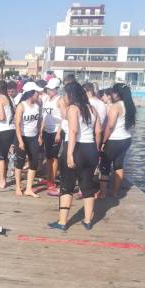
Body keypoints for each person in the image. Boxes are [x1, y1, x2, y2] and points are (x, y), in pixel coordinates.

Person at [48, 81, 102, 231]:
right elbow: (98, 131)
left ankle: (62, 222)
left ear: (70, 94)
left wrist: (70, 154)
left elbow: (73, 131)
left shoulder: (73, 108)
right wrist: (96, 151)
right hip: (90, 149)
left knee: (67, 186)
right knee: (87, 186)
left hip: (76, 148)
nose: (64, 96)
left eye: (65, 93)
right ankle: (87, 220)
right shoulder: (92, 109)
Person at [98, 83, 136, 198]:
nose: (112, 94)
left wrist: (103, 141)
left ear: (117, 94)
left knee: (105, 166)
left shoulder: (116, 107)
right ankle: (115, 192)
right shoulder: (129, 106)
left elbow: (110, 126)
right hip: (126, 138)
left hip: (114, 139)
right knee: (118, 165)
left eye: (113, 92)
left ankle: (103, 193)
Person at [13, 81, 44, 197]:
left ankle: (29, 188)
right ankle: (17, 187)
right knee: (20, 162)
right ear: (31, 93)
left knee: (34, 162)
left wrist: (40, 135)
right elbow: (17, 125)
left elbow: (40, 121)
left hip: (34, 137)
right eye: (37, 93)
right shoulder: (21, 106)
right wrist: (20, 141)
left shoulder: (38, 105)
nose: (39, 95)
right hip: (22, 137)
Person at [39, 78, 63, 190]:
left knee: (53, 157)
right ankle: (48, 177)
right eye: (48, 89)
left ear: (57, 89)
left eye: (51, 89)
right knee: (48, 156)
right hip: (46, 131)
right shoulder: (46, 100)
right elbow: (44, 117)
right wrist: (40, 132)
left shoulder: (60, 100)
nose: (48, 91)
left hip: (55, 131)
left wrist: (59, 133)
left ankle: (52, 180)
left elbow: (64, 118)